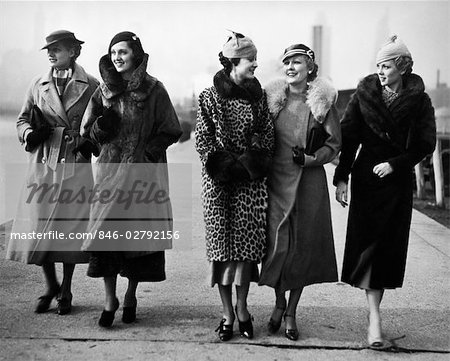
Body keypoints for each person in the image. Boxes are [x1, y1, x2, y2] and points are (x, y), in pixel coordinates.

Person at [333, 35, 436, 348]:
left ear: (402, 67)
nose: (380, 71)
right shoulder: (364, 96)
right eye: (378, 65)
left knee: (387, 251)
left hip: (397, 183)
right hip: (366, 182)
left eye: (387, 65)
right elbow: (349, 139)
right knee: (369, 248)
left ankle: (375, 318)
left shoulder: (420, 101)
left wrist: (396, 164)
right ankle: (374, 320)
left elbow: (424, 144)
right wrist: (342, 178)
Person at [80, 31, 182, 328]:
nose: (117, 58)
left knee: (139, 242)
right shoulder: (103, 92)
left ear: (136, 54)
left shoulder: (154, 90)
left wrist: (149, 151)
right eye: (113, 53)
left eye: (122, 52)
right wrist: (102, 128)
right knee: (106, 239)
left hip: (143, 178)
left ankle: (131, 295)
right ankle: (109, 298)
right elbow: (89, 134)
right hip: (110, 175)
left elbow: (172, 128)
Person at [6, 30, 99, 315]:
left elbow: (98, 125)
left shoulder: (91, 84)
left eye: (57, 48)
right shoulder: (38, 83)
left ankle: (66, 289)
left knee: (70, 229)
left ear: (73, 51)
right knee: (38, 225)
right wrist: (32, 133)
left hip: (74, 163)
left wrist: (86, 141)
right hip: (43, 162)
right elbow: (22, 118)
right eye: (48, 49)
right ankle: (50, 285)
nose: (50, 53)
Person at [195, 31, 274, 341]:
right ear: (232, 62)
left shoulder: (261, 96)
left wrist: (250, 162)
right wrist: (226, 166)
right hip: (219, 185)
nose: (256, 64)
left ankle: (242, 308)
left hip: (250, 188)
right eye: (250, 59)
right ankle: (227, 313)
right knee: (222, 252)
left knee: (245, 254)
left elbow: (267, 135)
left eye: (255, 58)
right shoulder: (208, 97)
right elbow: (203, 140)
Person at [259, 44, 341, 341]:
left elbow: (334, 144)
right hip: (276, 182)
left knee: (300, 250)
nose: (290, 67)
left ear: (310, 68)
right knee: (277, 247)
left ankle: (290, 310)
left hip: (308, 185)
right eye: (287, 63)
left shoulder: (322, 103)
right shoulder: (271, 101)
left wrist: (310, 159)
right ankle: (278, 301)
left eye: (296, 62)